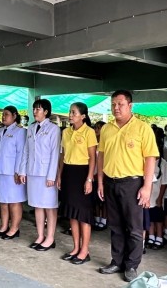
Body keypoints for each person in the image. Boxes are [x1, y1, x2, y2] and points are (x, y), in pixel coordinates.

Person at [97, 90, 158, 283]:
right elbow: (101, 156)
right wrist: (99, 181)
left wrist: (146, 187)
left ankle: (131, 265)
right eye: (113, 104)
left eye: (120, 104)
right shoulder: (107, 128)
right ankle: (117, 261)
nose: (116, 107)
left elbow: (150, 159)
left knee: (133, 228)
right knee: (115, 226)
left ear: (130, 106)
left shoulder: (142, 128)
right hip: (110, 181)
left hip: (132, 183)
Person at [57, 102, 97, 265]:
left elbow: (93, 158)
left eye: (74, 112)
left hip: (83, 173)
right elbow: (63, 155)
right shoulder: (66, 132)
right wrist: (59, 175)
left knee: (83, 215)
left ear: (83, 116)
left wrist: (89, 179)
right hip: (68, 172)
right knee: (72, 213)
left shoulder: (89, 132)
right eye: (70, 112)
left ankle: (84, 250)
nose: (71, 115)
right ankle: (75, 248)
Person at [19, 99, 61, 252]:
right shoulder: (30, 128)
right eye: (34, 109)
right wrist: (22, 171)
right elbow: (26, 151)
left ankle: (50, 237)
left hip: (46, 174)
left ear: (46, 112)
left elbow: (55, 153)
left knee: (49, 206)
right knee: (37, 205)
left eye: (38, 109)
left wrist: (52, 176)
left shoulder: (53, 129)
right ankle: (40, 235)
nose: (35, 111)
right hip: (32, 172)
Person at [0, 105, 27, 240]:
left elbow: (22, 153)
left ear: (14, 116)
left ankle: (14, 228)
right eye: (3, 114)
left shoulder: (20, 132)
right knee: (3, 201)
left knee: (15, 201)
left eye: (6, 114)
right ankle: (4, 226)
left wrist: (19, 171)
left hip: (12, 172)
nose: (3, 117)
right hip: (0, 171)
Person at [146, 127, 167, 251]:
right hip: (148, 196)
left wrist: (160, 198)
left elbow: (165, 183)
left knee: (159, 219)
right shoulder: (145, 162)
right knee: (150, 218)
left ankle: (159, 237)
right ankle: (151, 237)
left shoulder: (163, 164)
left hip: (157, 197)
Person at [92, 121, 107, 231]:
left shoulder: (106, 143)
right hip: (94, 175)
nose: (96, 130)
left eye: (99, 128)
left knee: (104, 200)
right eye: (96, 128)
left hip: (103, 175)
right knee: (96, 200)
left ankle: (104, 219)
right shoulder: (93, 143)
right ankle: (97, 218)